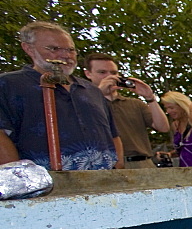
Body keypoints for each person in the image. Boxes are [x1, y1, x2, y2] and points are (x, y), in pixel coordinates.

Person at [0, 21, 122, 170]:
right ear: (28, 49)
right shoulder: (9, 85)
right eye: (54, 48)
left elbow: (113, 134)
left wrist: (119, 168)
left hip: (104, 182)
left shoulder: (91, 90)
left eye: (70, 50)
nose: (65, 55)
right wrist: (17, 178)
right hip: (46, 185)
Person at [83, 53, 169, 169]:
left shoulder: (135, 104)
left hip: (142, 164)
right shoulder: (84, 104)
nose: (110, 77)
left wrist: (150, 98)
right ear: (88, 74)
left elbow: (163, 127)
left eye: (113, 73)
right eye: (102, 72)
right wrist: (99, 94)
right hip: (106, 166)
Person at [160, 91, 192, 167]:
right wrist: (170, 154)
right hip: (184, 170)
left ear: (181, 106)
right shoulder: (175, 125)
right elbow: (182, 149)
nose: (168, 111)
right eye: (166, 108)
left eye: (171, 108)